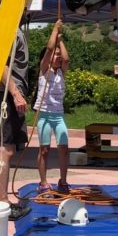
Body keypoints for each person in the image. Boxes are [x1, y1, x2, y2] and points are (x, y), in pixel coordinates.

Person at [0, 0, 30, 221]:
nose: (23, 4)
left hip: (12, 95)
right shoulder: (5, 29)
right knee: (5, 148)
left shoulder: (14, 26)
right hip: (6, 96)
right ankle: (3, 202)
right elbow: (0, 65)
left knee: (10, 148)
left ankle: (4, 201)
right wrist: (15, 94)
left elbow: (35, 1)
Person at [34, 20, 70, 194]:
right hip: (45, 114)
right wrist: (54, 29)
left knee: (63, 147)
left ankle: (63, 181)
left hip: (58, 115)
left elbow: (67, 58)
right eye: (55, 55)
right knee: (44, 149)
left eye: (58, 55)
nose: (57, 57)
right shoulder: (44, 70)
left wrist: (60, 41)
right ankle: (43, 181)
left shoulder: (61, 72)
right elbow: (48, 50)